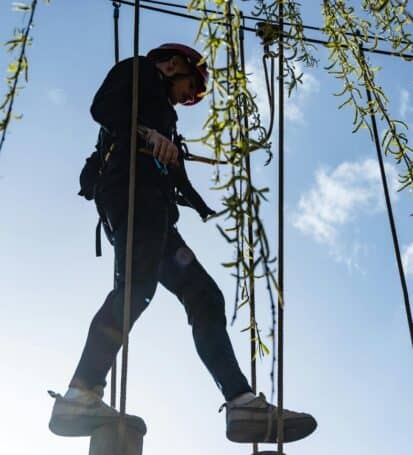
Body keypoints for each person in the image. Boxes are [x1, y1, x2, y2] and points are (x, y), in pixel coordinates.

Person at [48, 43, 317, 444]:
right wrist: (145, 132)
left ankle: (241, 403)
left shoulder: (163, 113)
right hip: (133, 197)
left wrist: (201, 203)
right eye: (189, 86)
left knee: (204, 296)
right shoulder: (139, 71)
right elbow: (102, 109)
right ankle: (80, 393)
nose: (188, 97)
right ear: (173, 65)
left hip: (154, 211)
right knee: (136, 289)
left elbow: (172, 170)